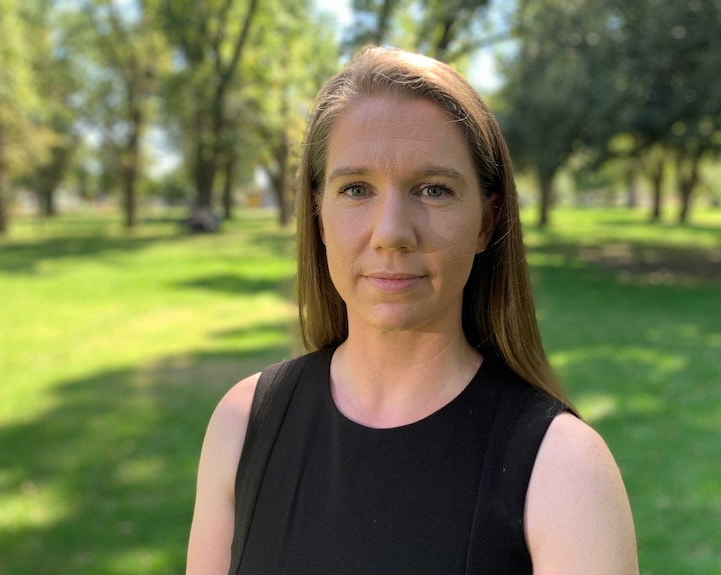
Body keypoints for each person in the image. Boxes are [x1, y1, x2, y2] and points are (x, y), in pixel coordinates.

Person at [186, 46, 638, 575]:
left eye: (433, 190)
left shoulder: (564, 472)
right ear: (318, 213)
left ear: (486, 223)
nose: (392, 232)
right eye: (356, 189)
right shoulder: (243, 426)